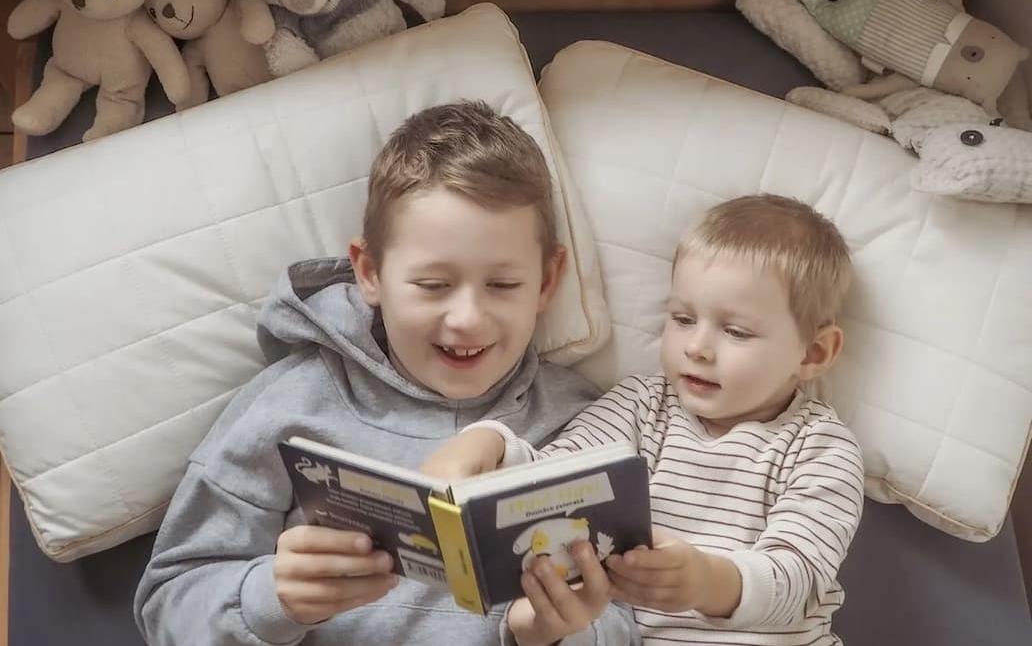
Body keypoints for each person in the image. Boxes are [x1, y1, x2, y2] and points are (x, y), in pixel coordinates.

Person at [133, 101, 639, 646]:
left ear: (547, 281)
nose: (467, 319)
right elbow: (167, 605)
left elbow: (634, 620)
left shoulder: (588, 424)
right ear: (370, 272)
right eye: (433, 285)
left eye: (502, 285)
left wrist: (558, 631)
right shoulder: (288, 406)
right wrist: (269, 599)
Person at [424, 194, 866, 645]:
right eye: (683, 319)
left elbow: (799, 580)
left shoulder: (821, 447)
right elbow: (556, 483)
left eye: (735, 331)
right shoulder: (641, 405)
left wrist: (707, 581)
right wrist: (491, 444)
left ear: (814, 353)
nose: (697, 347)